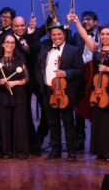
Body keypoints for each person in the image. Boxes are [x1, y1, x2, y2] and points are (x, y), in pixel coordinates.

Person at [69, 15, 109, 161]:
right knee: (99, 120)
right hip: (98, 89)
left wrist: (107, 68)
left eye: (108, 34)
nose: (105, 36)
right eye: (102, 34)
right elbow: (84, 35)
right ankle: (100, 150)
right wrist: (76, 22)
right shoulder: (96, 48)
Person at [35, 23, 84, 161]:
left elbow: (80, 70)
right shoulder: (45, 49)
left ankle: (71, 152)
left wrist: (66, 73)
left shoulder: (73, 50)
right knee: (52, 122)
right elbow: (39, 66)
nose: (56, 37)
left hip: (65, 92)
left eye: (59, 34)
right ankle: (55, 150)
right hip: (48, 91)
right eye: (53, 35)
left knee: (68, 122)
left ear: (64, 35)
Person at [0, 33, 30, 159]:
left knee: (20, 125)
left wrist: (14, 83)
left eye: (12, 43)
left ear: (15, 45)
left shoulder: (20, 60)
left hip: (18, 95)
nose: (10, 45)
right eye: (7, 42)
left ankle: (21, 151)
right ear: (3, 44)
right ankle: (6, 151)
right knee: (4, 124)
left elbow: (26, 79)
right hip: (3, 96)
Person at [11, 15, 45, 154]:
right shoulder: (9, 40)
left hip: (37, 79)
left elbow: (43, 30)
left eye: (22, 26)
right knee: (24, 112)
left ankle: (40, 137)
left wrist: (51, 14)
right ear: (12, 27)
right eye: (16, 26)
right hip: (21, 80)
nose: (19, 28)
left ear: (25, 26)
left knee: (46, 108)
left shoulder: (31, 35)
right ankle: (30, 141)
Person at [69, 10, 101, 151]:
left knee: (97, 106)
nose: (86, 22)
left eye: (89, 19)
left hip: (96, 74)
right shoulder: (77, 35)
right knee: (79, 108)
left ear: (95, 22)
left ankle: (98, 142)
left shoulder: (102, 35)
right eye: (84, 19)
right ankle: (79, 140)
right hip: (81, 75)